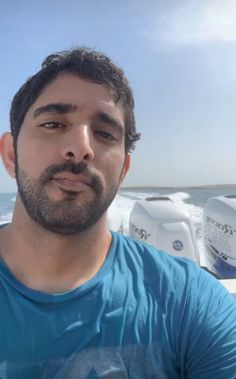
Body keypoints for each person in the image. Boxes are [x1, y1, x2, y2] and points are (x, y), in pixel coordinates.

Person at [0, 47, 236, 379]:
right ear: (10, 155)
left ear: (123, 170)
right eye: (53, 123)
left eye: (105, 134)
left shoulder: (191, 306)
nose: (81, 147)